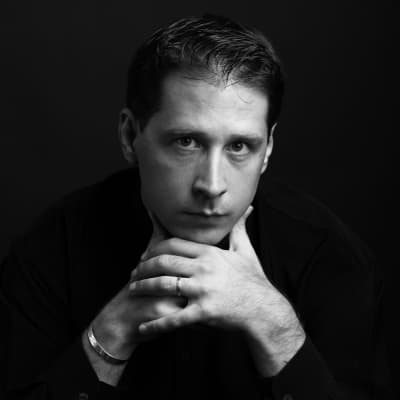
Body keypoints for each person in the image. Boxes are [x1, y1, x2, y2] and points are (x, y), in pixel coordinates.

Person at [0, 14, 393, 400]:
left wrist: (273, 324)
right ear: (130, 134)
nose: (212, 185)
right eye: (186, 142)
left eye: (239, 146)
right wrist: (114, 330)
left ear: (268, 149)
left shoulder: (327, 255)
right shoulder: (54, 247)